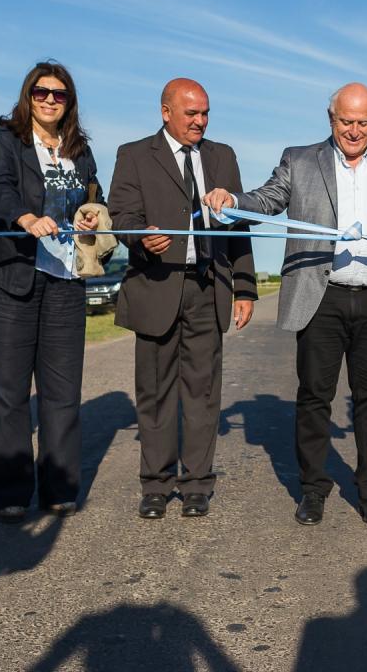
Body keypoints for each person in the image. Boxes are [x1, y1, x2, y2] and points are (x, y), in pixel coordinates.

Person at [206, 82, 367, 526]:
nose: (354, 130)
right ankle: (313, 490)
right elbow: (267, 199)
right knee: (313, 399)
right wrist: (233, 201)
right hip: (320, 299)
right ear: (331, 119)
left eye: (363, 122)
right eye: (346, 121)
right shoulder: (300, 159)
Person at [108, 78, 257, 520]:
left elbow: (238, 226)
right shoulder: (133, 155)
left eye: (205, 113)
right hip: (156, 286)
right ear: (165, 112)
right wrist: (140, 238)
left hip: (208, 288)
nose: (200, 121)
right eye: (191, 113)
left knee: (203, 392)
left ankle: (197, 485)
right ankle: (155, 485)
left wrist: (245, 287)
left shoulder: (222, 156)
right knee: (154, 393)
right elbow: (122, 216)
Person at [0, 61, 110, 523]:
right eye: (41, 92)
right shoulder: (5, 140)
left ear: (69, 101)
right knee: (11, 393)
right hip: (12, 277)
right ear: (27, 95)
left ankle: (59, 486)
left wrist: (93, 213)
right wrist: (24, 217)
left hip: (66, 280)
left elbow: (96, 196)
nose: (50, 100)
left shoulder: (81, 149)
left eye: (59, 94)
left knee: (62, 391)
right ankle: (11, 492)